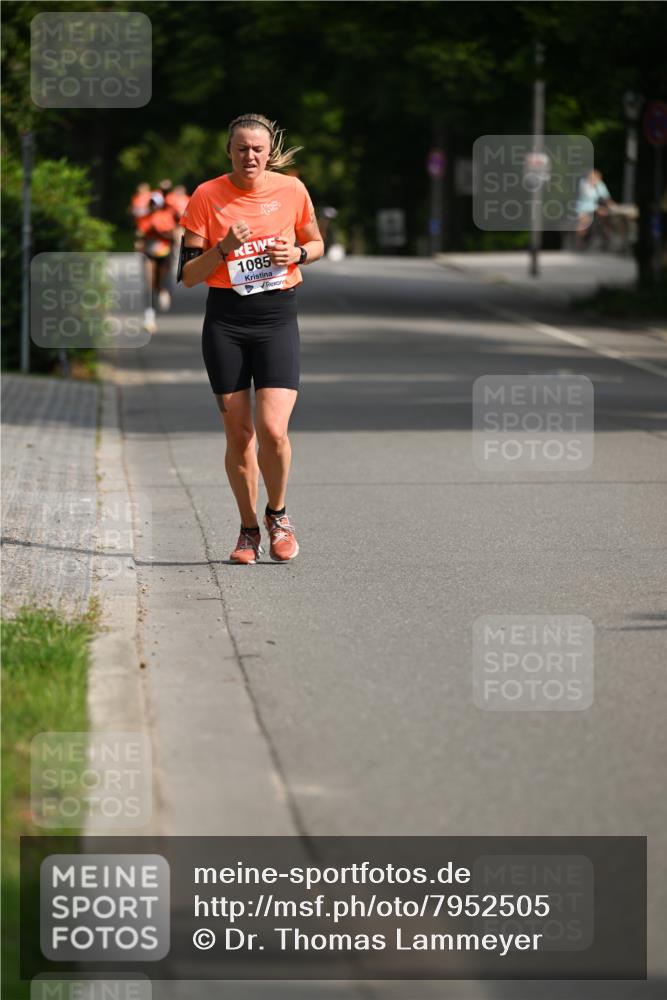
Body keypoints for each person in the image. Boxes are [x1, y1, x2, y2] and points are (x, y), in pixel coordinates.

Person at [178, 113, 324, 563]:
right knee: (239, 435)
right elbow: (186, 275)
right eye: (241, 148)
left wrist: (297, 252)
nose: (250, 156)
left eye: (258, 148)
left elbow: (316, 243)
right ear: (229, 151)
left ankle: (277, 515)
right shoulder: (206, 196)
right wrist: (221, 247)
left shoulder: (292, 190)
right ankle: (247, 531)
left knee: (273, 430)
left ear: (268, 151)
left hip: (277, 318)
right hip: (226, 322)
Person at [135, 191, 178, 330]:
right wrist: (142, 238)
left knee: (160, 280)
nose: (153, 205)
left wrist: (158, 232)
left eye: (155, 203)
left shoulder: (166, 216)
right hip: (149, 253)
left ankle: (163, 290)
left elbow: (172, 236)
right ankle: (149, 317)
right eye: (151, 203)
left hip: (164, 253)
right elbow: (140, 235)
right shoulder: (144, 218)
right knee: (149, 282)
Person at [575, 169, 615, 250]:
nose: (595, 180)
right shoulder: (584, 184)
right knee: (584, 221)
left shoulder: (600, 184)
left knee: (608, 217)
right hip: (583, 207)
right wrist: (597, 208)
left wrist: (612, 206)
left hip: (595, 208)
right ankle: (580, 243)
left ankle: (605, 241)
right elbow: (586, 199)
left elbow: (606, 197)